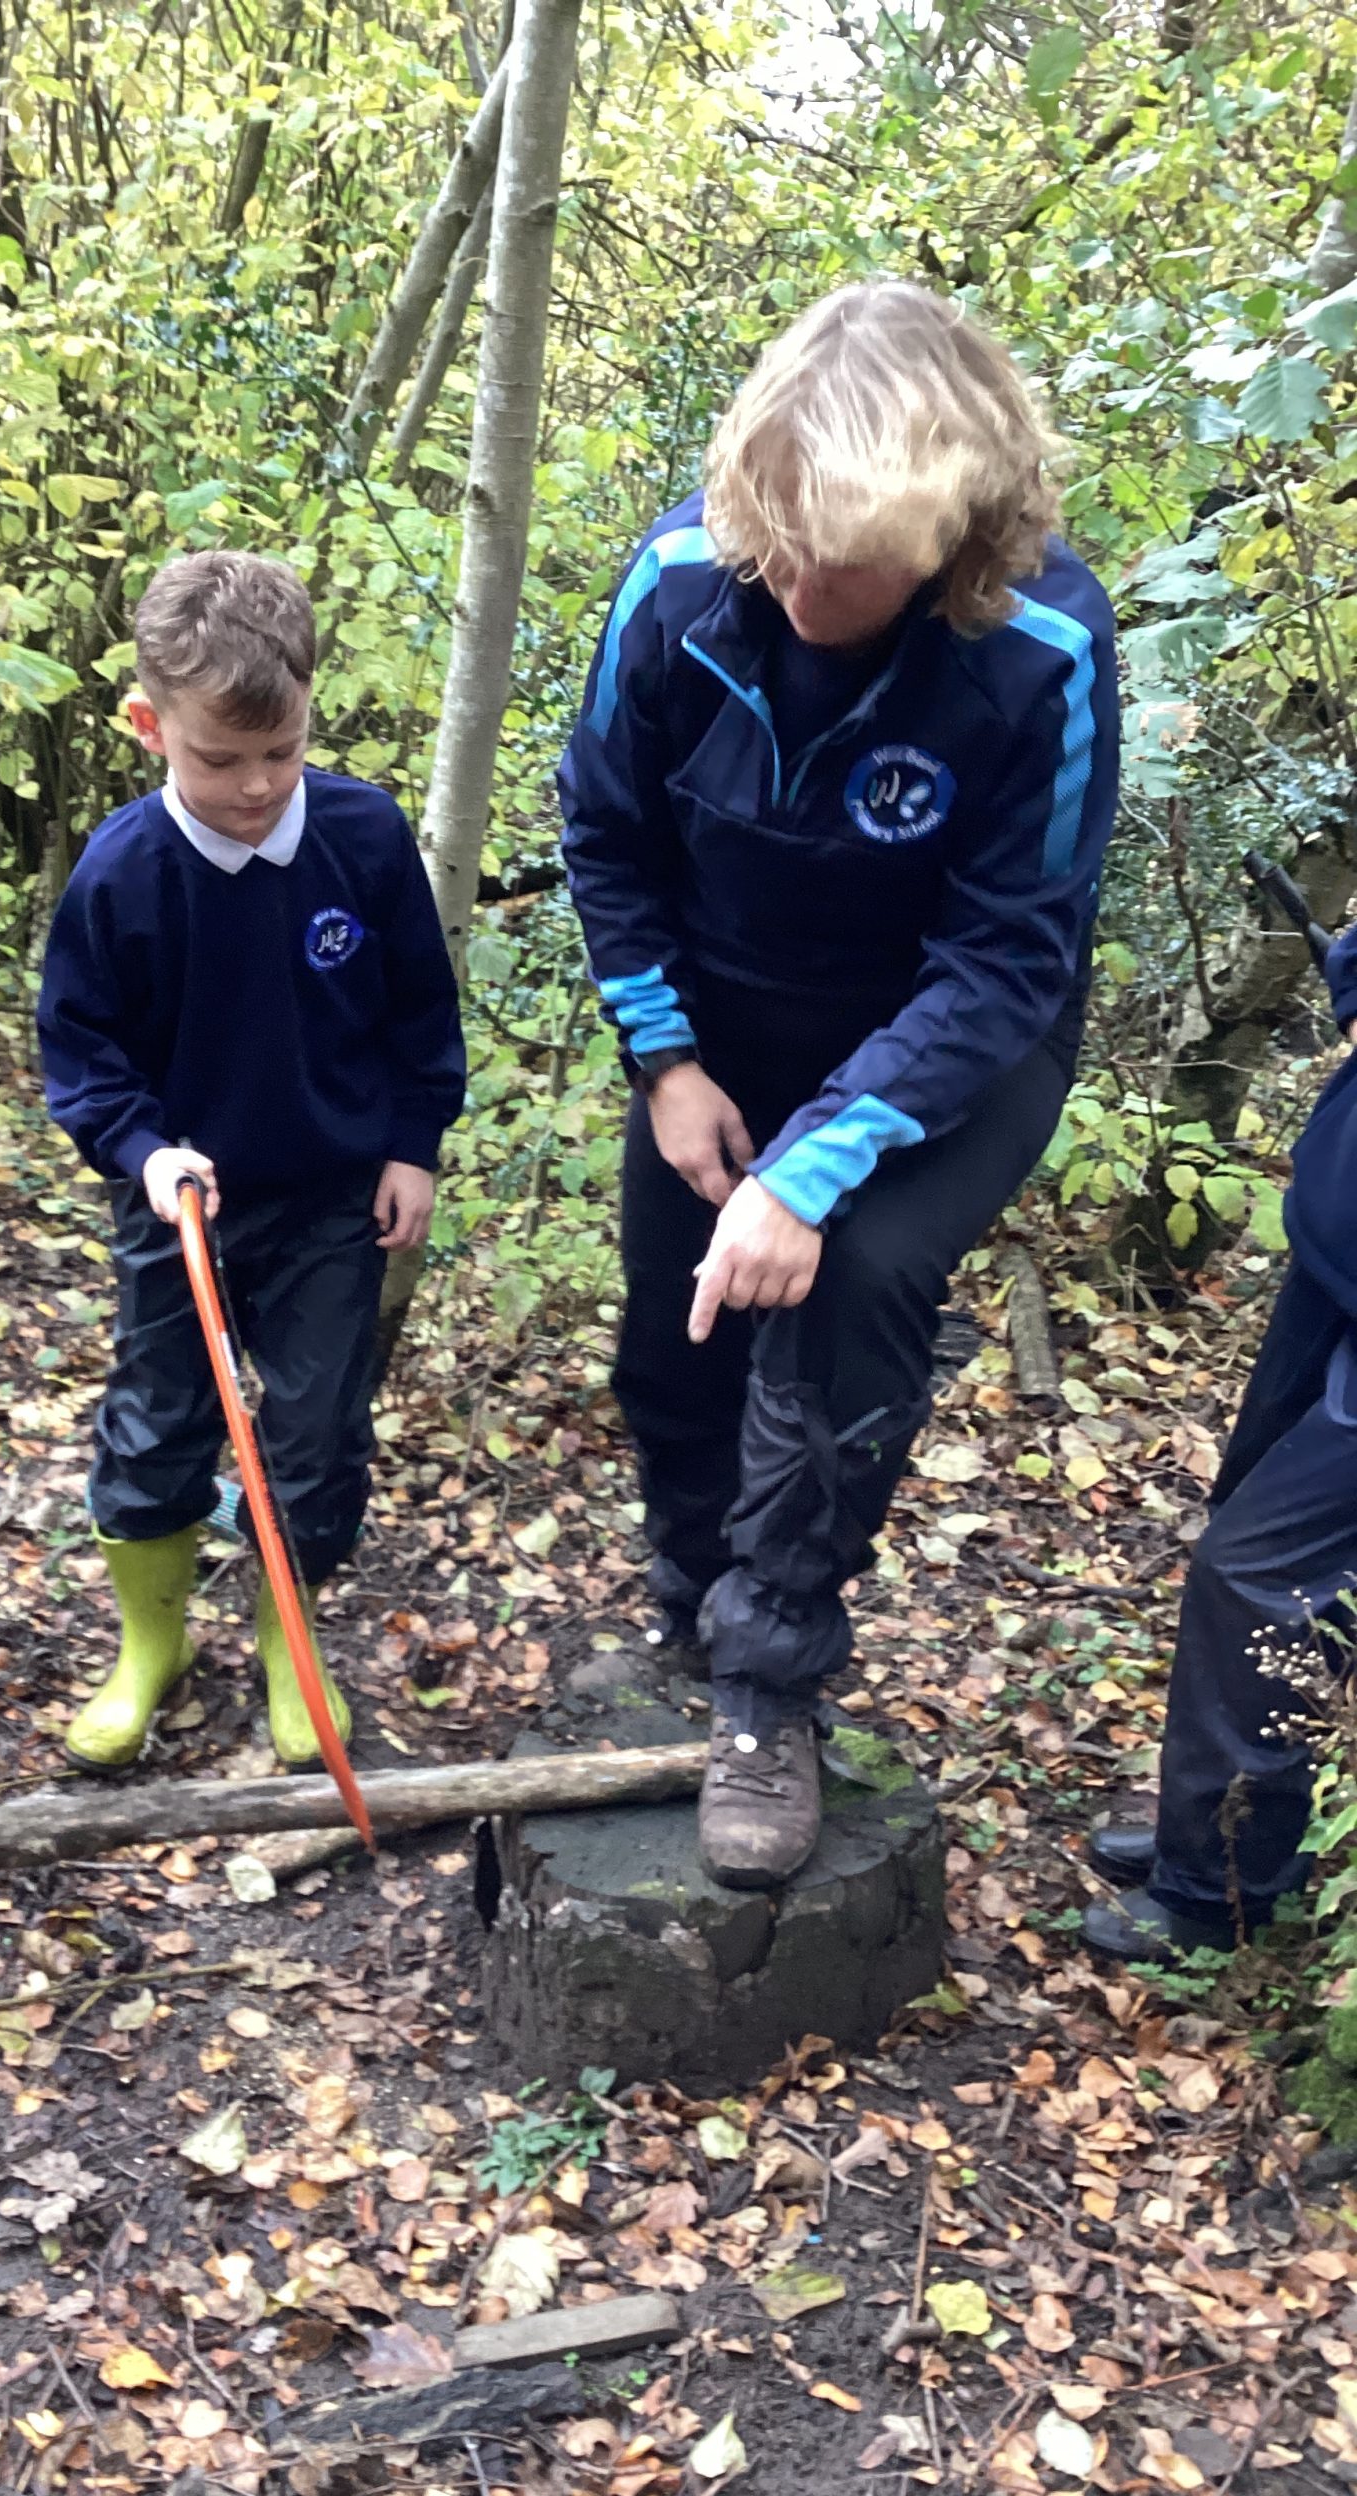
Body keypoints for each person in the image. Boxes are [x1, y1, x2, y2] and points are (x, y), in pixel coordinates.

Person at [560, 280, 1119, 1889]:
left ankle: (770, 1683)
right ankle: (695, 1599)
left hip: (955, 1036)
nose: (806, 589)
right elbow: (605, 830)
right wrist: (667, 1061)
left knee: (847, 1285)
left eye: (855, 564)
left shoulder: (1042, 649)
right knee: (676, 1334)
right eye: (784, 545)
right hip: (724, 1018)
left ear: (954, 533)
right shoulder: (684, 584)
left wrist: (814, 1168)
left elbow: (1007, 961)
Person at [37, 552, 464, 1769]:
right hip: (182, 1204)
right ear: (149, 726)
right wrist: (145, 1152)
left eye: (281, 750)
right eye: (220, 759)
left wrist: (413, 1145)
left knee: (319, 1428)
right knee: (159, 1416)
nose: (258, 785)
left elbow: (419, 1013)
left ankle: (291, 1640)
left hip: (334, 1195)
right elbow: (84, 1052)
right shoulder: (122, 873)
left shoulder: (363, 837)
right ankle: (152, 1643)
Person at [1084, 924, 1357, 1959]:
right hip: (1334, 1269)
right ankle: (1219, 1842)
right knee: (1256, 1522)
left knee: (1259, 1573)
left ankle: (1219, 1892)